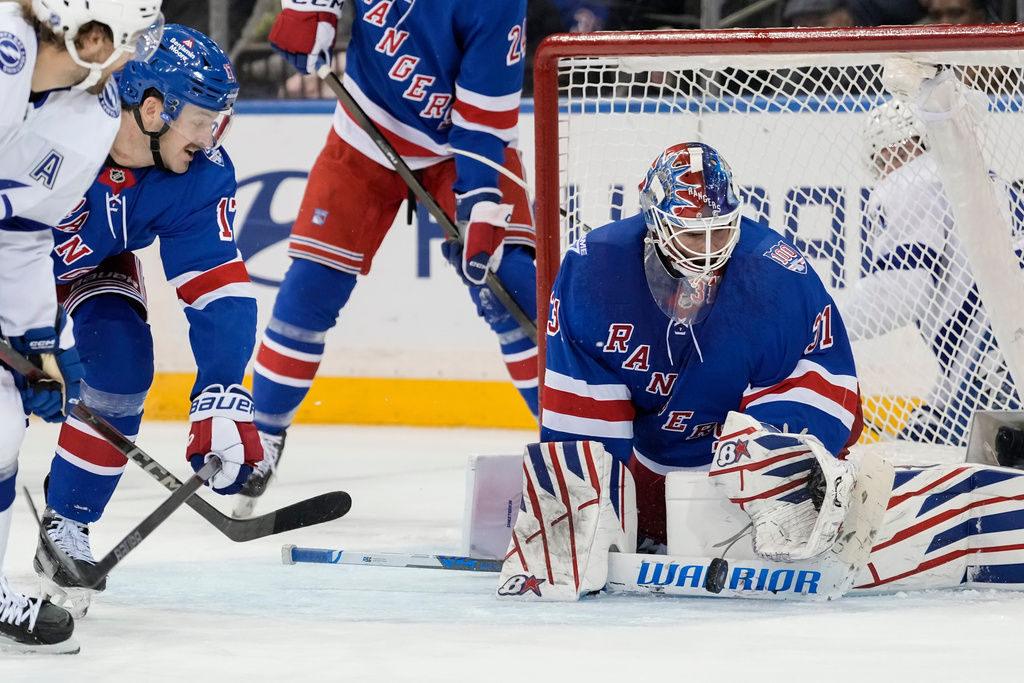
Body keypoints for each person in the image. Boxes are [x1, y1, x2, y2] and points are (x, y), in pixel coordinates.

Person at [240, 0, 538, 517]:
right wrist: (309, 6)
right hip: (365, 125)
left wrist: (481, 202)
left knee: (510, 284)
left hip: (461, 151)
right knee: (311, 287)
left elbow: (484, 121)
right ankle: (259, 436)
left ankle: (570, 448)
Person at [30, 24, 261, 620]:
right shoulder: (51, 125)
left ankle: (67, 526)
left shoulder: (200, 175)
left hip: (90, 260)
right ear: (153, 108)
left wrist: (222, 387)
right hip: (14, 255)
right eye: (203, 118)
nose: (212, 135)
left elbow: (218, 287)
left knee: (122, 367)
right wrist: (31, 336)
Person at [534, 142, 864, 554]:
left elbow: (825, 379)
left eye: (721, 230)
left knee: (778, 475)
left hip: (738, 473)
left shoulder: (775, 277)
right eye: (693, 234)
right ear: (654, 222)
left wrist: (783, 474)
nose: (709, 250)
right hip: (650, 470)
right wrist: (583, 514)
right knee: (589, 515)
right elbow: (582, 425)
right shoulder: (594, 272)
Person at [0, 0, 163, 654]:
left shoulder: (89, 115)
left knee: (4, 418)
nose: (131, 55)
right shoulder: (5, 50)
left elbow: (18, 240)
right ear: (89, 36)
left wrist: (39, 341)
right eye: (126, 38)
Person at [842, 100, 1021, 445]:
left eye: (883, 159)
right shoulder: (975, 178)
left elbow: (897, 295)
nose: (886, 169)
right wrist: (936, 412)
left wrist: (817, 323)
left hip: (997, 352)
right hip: (1002, 347)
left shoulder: (910, 179)